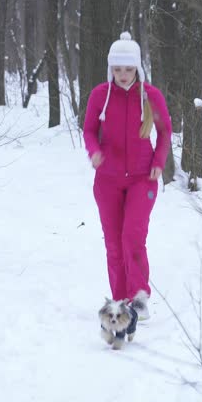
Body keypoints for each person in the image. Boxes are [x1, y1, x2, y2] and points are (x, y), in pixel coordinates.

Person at [83, 32, 172, 321]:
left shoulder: (150, 96)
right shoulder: (100, 95)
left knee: (132, 236)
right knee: (113, 242)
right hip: (107, 179)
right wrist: (94, 150)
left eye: (129, 69)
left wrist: (159, 161)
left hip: (141, 179)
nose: (123, 75)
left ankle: (139, 296)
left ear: (138, 68)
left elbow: (165, 130)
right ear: (111, 69)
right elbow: (88, 130)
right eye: (118, 69)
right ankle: (120, 301)